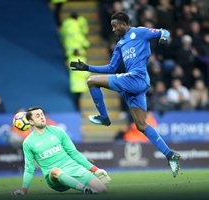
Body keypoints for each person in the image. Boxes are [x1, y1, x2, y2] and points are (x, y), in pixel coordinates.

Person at [70, 11, 181, 177]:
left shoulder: (140, 32)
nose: (113, 29)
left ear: (123, 24)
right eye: (112, 26)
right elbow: (111, 68)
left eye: (115, 26)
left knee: (92, 81)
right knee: (141, 125)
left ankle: (105, 118)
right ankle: (170, 155)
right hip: (133, 85)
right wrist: (87, 67)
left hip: (137, 78)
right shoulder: (120, 44)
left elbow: (163, 31)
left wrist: (165, 37)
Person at [12, 106, 110, 195]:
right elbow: (29, 169)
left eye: (42, 114)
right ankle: (84, 189)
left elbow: (74, 153)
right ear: (31, 122)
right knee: (55, 170)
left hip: (72, 168)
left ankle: (86, 183)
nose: (42, 117)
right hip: (54, 178)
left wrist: (96, 170)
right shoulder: (28, 142)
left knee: (103, 189)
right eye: (37, 116)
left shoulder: (58, 131)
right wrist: (24, 190)